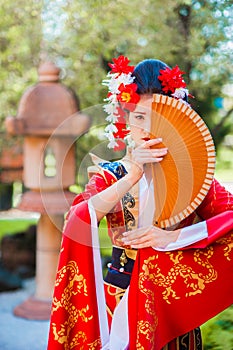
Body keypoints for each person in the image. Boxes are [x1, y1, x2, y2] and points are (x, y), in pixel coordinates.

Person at [47, 56, 233, 350]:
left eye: (160, 117)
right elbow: (78, 219)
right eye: (139, 117)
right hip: (117, 302)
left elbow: (230, 221)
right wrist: (132, 174)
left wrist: (176, 237)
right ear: (125, 119)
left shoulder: (197, 180)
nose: (148, 129)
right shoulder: (110, 175)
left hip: (171, 310)